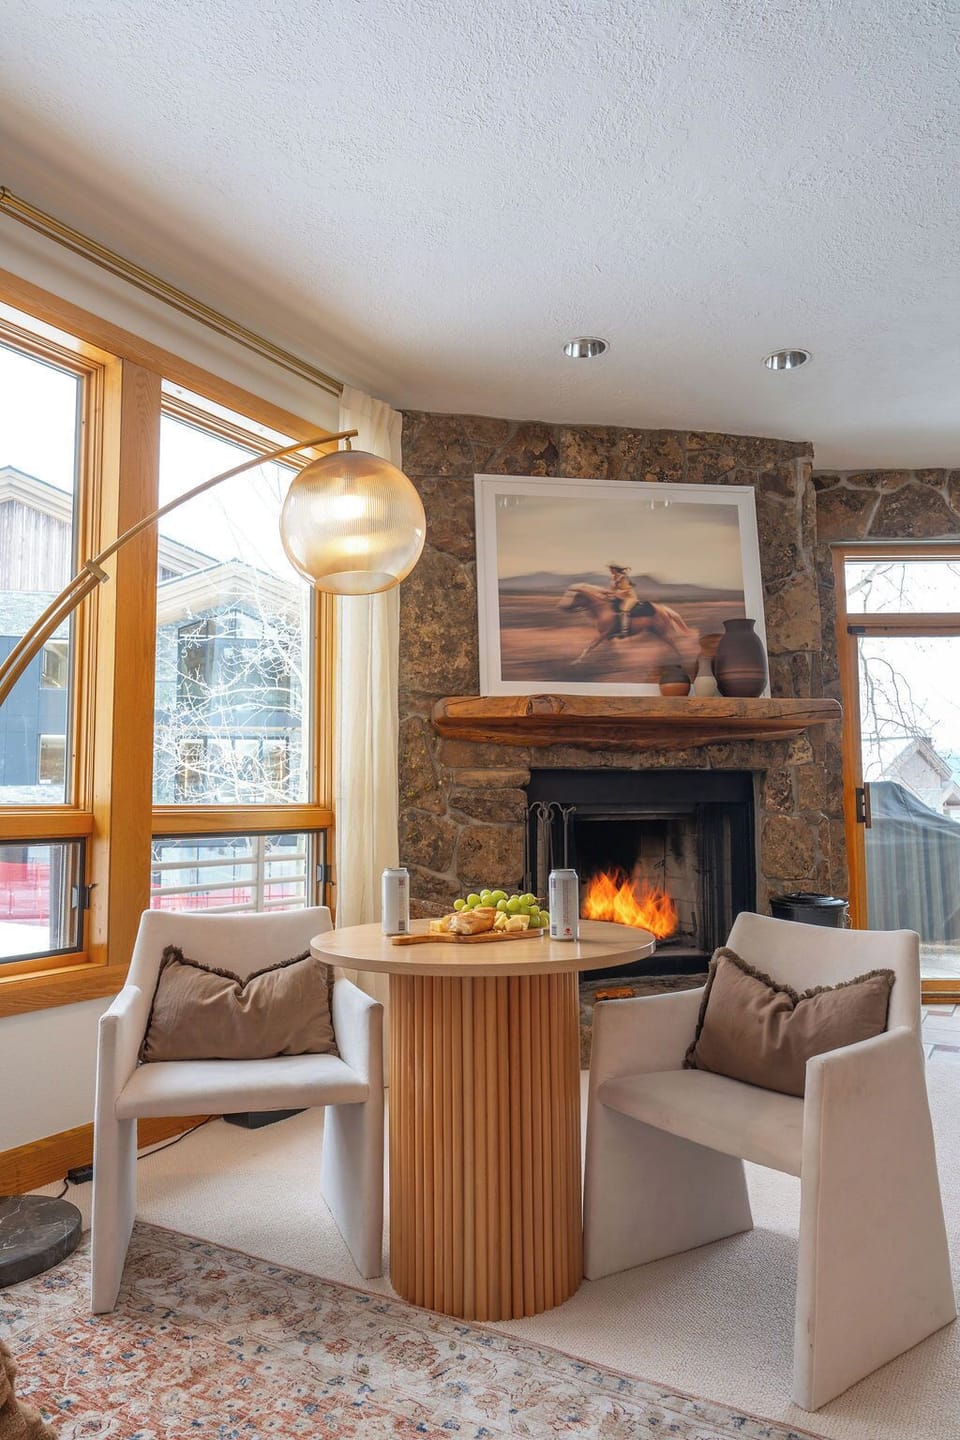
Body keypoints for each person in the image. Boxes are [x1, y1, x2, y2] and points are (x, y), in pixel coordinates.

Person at [604, 564, 639, 638]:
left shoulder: (623, 577)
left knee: (624, 611)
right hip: (620, 597)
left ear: (615, 569)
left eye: (611, 569)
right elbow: (611, 589)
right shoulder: (613, 578)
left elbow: (626, 589)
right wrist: (607, 593)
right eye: (610, 569)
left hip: (629, 597)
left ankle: (624, 631)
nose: (610, 571)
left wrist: (615, 593)